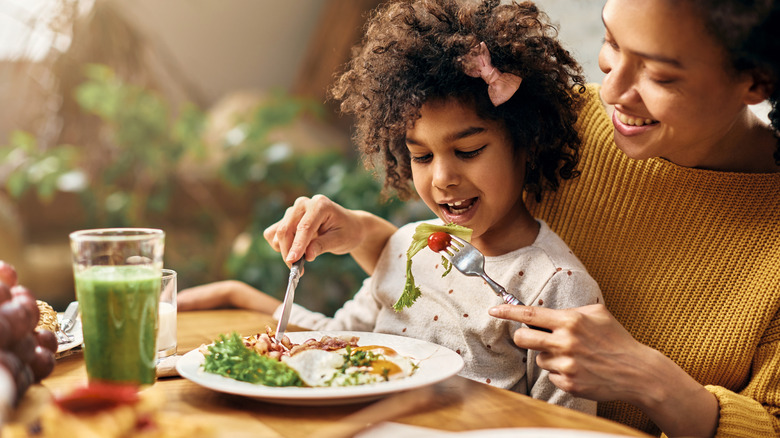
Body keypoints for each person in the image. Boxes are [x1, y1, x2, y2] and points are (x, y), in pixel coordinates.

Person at [257, 0, 780, 437]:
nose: (614, 93)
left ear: (756, 80)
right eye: (613, 45)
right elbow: (463, 290)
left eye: (660, 73)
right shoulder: (553, 120)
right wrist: (369, 234)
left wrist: (651, 380)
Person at [180, 0, 605, 413]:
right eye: (421, 156)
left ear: (526, 142)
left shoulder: (556, 286)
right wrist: (245, 299)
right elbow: (336, 344)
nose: (441, 179)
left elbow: (567, 426)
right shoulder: (409, 248)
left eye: (469, 150)